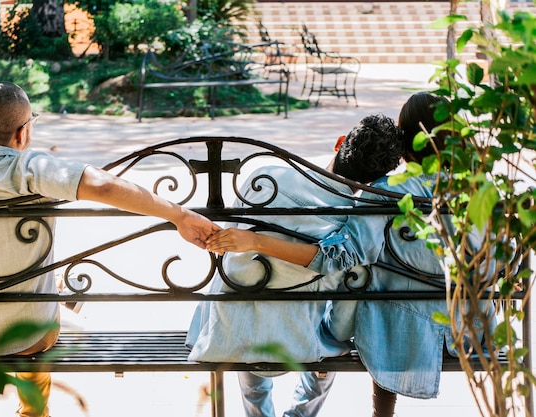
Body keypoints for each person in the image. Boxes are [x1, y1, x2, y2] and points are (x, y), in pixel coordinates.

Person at [0, 82, 219, 417]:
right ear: (22, 134)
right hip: (29, 337)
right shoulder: (31, 169)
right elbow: (105, 185)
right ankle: (34, 411)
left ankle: (59, 298)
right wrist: (178, 214)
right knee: (34, 317)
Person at [206, 92, 496, 417]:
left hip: (400, 334)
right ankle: (303, 410)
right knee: (348, 296)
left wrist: (254, 242)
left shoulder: (387, 191)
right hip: (471, 331)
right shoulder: (481, 187)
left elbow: (342, 258)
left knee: (349, 286)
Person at [188, 113, 404, 417]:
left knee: (248, 289)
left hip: (229, 331)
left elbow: (229, 245)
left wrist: (256, 243)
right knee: (340, 309)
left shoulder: (265, 177)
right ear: (373, 180)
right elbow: (340, 263)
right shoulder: (350, 219)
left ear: (339, 143)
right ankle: (301, 413)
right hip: (300, 340)